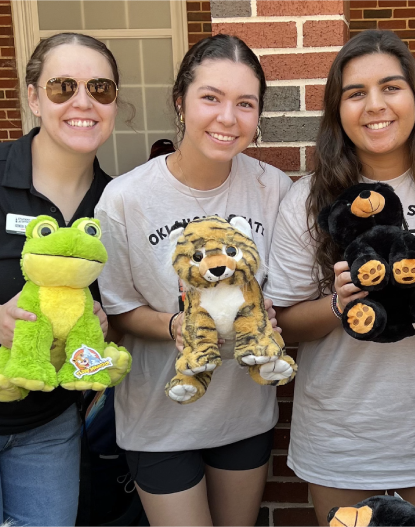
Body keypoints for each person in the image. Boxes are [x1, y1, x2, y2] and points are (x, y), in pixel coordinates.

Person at [264, 30, 415, 526]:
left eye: (390, 87)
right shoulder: (308, 197)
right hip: (339, 430)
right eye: (356, 93)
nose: (375, 105)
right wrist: (339, 305)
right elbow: (287, 322)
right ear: (338, 110)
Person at [95, 34, 292, 526]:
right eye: (211, 98)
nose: (228, 118)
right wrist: (172, 325)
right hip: (158, 416)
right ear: (180, 101)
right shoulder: (125, 199)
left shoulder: (274, 189)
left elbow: (288, 294)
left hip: (243, 412)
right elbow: (118, 308)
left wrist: (271, 315)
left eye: (245, 103)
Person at [0, 33, 121, 526]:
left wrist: (102, 323)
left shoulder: (113, 205)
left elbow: (114, 307)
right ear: (33, 96)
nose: (83, 102)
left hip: (50, 428)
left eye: (101, 89)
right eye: (62, 86)